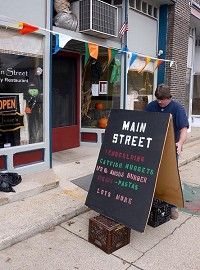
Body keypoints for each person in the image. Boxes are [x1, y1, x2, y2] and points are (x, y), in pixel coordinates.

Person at [145, 83, 189, 220]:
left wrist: (180, 143)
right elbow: (144, 123)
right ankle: (149, 202)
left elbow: (183, 130)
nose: (160, 102)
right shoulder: (151, 106)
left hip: (170, 148)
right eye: (158, 99)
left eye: (163, 99)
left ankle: (172, 206)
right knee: (151, 174)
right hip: (153, 147)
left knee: (169, 177)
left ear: (169, 97)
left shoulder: (177, 109)